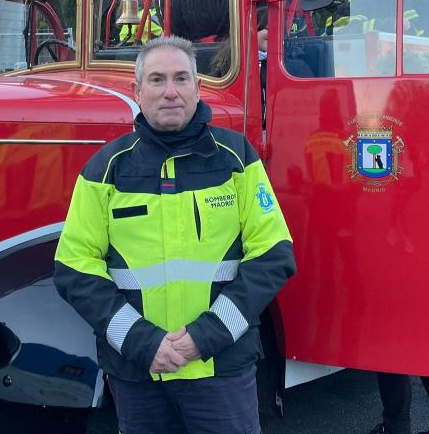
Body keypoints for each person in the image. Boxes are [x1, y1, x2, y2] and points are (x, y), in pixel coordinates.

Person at [54, 36, 295, 434]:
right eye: (157, 79)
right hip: (138, 371)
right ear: (137, 91)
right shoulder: (105, 169)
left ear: (197, 88)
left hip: (220, 367)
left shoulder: (237, 159)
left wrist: (206, 337)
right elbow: (73, 267)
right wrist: (141, 342)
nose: (170, 91)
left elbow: (274, 255)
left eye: (181, 78)